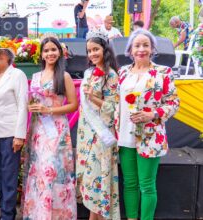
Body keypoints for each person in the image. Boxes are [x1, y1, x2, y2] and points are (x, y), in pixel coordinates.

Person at [116, 29, 180, 220]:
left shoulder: (163, 72)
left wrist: (152, 114)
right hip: (125, 135)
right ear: (130, 50)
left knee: (147, 185)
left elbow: (173, 102)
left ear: (152, 49)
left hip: (151, 136)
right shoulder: (122, 72)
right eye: (137, 45)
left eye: (146, 45)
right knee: (129, 183)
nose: (141, 49)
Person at [22, 36, 78, 219]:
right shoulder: (36, 77)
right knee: (38, 171)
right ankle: (38, 214)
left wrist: (49, 109)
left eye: (53, 50)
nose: (50, 53)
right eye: (46, 51)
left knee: (54, 172)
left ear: (60, 52)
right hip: (38, 130)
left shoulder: (64, 76)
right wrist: (32, 105)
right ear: (41, 54)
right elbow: (33, 100)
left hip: (57, 131)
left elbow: (73, 105)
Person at [76, 29, 120, 220]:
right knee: (88, 181)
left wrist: (94, 98)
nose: (92, 54)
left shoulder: (111, 76)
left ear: (105, 49)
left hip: (101, 135)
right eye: (89, 50)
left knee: (97, 181)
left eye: (96, 49)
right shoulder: (89, 73)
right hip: (85, 134)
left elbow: (113, 108)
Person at [0, 37, 28, 220]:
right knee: (0, 175)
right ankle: (5, 212)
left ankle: (8, 215)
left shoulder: (17, 75)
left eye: (0, 52)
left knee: (9, 177)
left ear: (9, 56)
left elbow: (22, 106)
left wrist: (19, 136)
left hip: (10, 134)